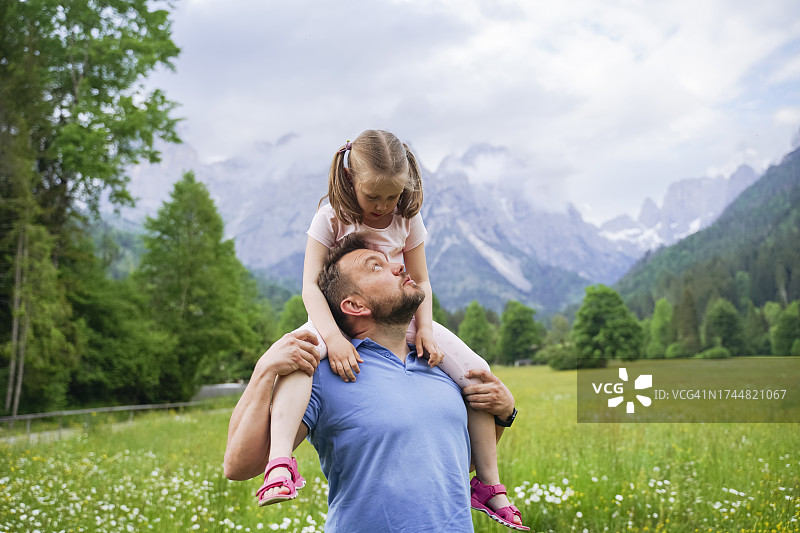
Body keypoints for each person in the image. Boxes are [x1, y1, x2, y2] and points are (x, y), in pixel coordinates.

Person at [259, 129, 526, 530]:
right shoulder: (330, 215)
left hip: (397, 314)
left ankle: (488, 484)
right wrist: (331, 338)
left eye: (392, 196)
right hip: (338, 317)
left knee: (477, 370)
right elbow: (310, 285)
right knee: (301, 360)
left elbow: (421, 280)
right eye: (373, 197)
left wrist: (426, 330)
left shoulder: (407, 216)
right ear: (352, 181)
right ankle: (279, 463)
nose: (383, 206)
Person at [224, 233, 528, 532]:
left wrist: (504, 414)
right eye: (375, 266)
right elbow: (238, 467)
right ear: (355, 306)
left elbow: (452, 467)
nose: (398, 266)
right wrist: (264, 372)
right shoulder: (324, 374)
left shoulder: (441, 365)